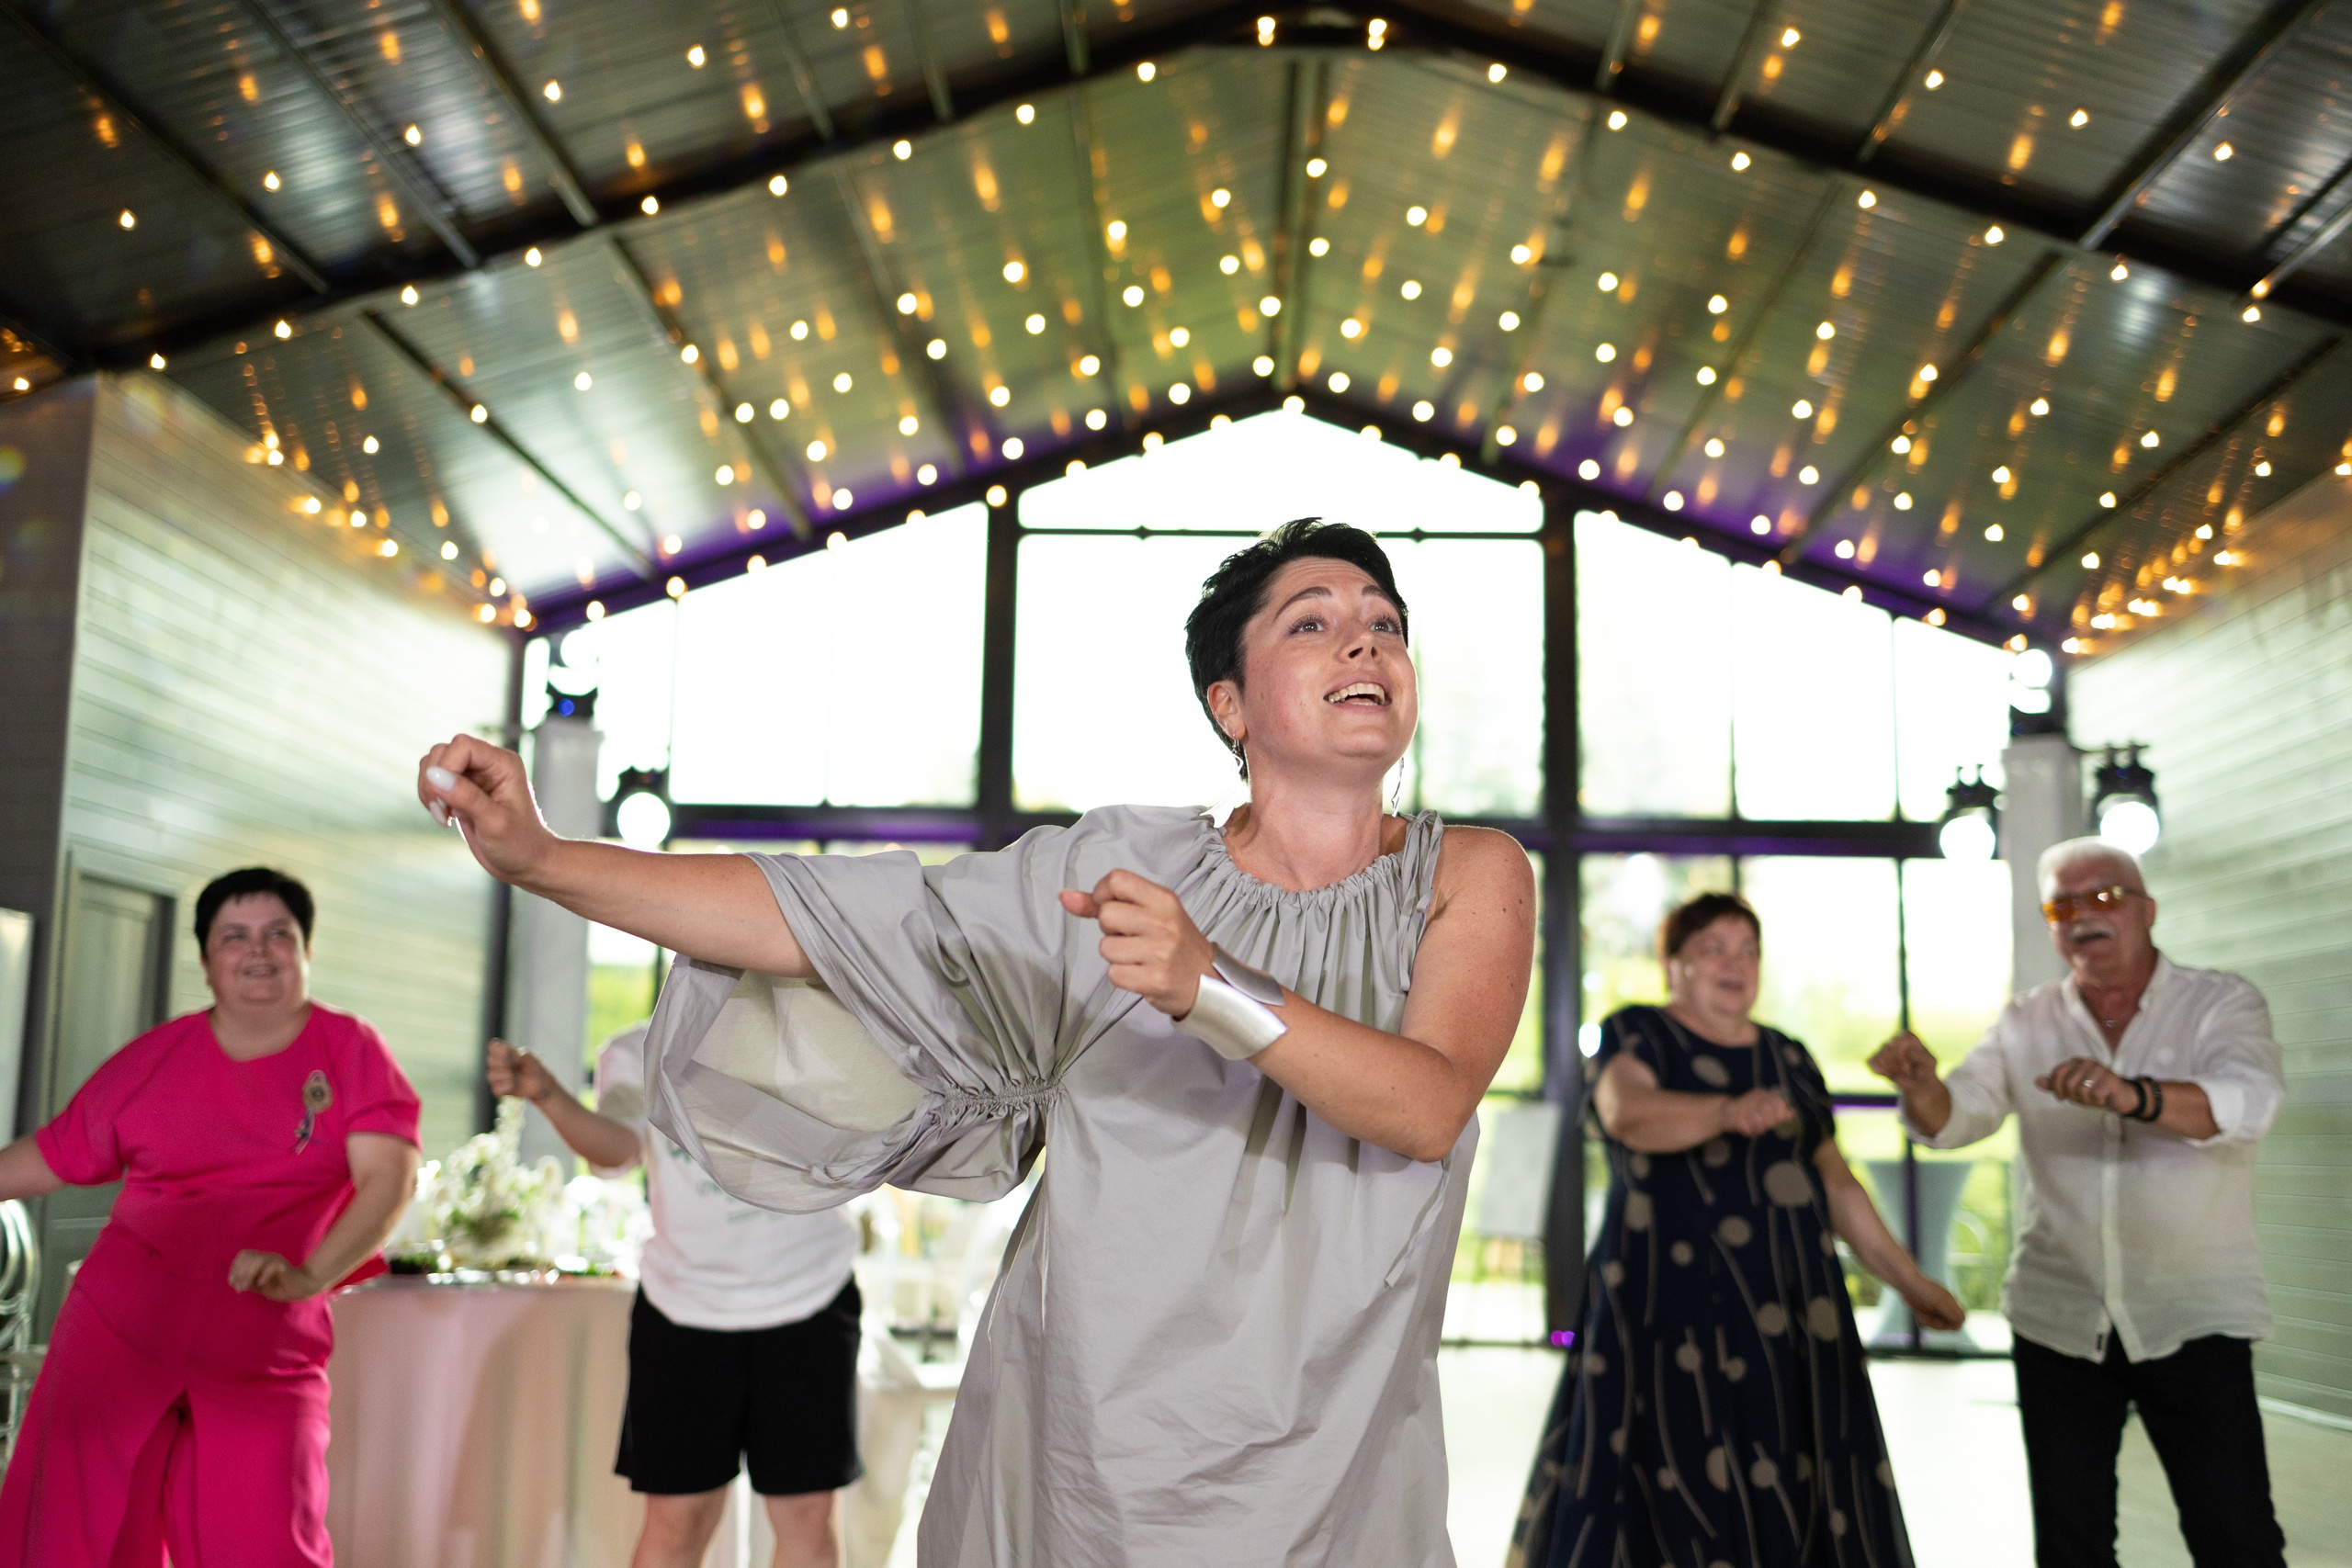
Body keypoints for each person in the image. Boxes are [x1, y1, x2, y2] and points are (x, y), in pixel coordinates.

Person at [418, 517, 1536, 1565]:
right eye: (1314, 619)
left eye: (1383, 622)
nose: (1365, 638)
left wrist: (1212, 987)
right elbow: (832, 921)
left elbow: (1426, 1103)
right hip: (1089, 1447)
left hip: (1339, 1457)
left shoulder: (1468, 873)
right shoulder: (1119, 870)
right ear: (1230, 706)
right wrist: (547, 861)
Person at [1869, 838, 2287, 1568]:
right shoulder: (2027, 1019)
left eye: (2104, 897)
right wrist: (1919, 1085)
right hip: (2058, 1316)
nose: (2084, 917)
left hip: (2192, 1313)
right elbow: (1956, 1115)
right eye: (2064, 905)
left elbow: (2251, 1102)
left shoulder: (2220, 1002)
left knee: (2237, 1538)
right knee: (2071, 1548)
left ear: (2147, 909)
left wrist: (2136, 1096)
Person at [1513, 892, 1962, 1568]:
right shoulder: (1636, 1032)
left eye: (1748, 949)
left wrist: (1911, 1281)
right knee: (1677, 1479)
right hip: (1668, 1312)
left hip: (1793, 1314)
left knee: (1792, 1475)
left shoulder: (1788, 1055)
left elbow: (1837, 1184)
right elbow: (1626, 1112)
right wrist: (1725, 1110)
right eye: (1714, 948)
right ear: (1674, 966)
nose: (1736, 963)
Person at [0, 867, 421, 1567]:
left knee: (265, 1541)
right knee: (81, 1535)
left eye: (277, 934)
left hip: (265, 1345)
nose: (258, 951)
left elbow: (389, 1177)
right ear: (204, 960)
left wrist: (308, 1273)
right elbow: (51, 1155)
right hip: (119, 1335)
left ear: (306, 950)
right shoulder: (155, 1059)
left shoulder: (349, 1052)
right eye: (235, 936)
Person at [486, 1028, 861, 1568]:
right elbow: (618, 1147)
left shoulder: (810, 1022)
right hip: (683, 1307)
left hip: (808, 1294)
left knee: (806, 1516)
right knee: (677, 1520)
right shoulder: (639, 1045)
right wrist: (549, 1095)